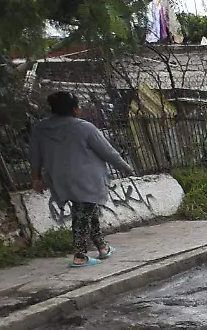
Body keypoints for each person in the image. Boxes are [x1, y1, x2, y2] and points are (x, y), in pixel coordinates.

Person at [29, 91, 137, 268]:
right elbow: (108, 152)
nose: (80, 109)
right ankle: (80, 256)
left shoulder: (40, 129)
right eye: (78, 106)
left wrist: (36, 178)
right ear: (73, 109)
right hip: (86, 179)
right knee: (82, 216)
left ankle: (102, 247)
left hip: (59, 179)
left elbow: (35, 155)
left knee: (87, 211)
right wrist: (126, 167)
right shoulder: (84, 127)